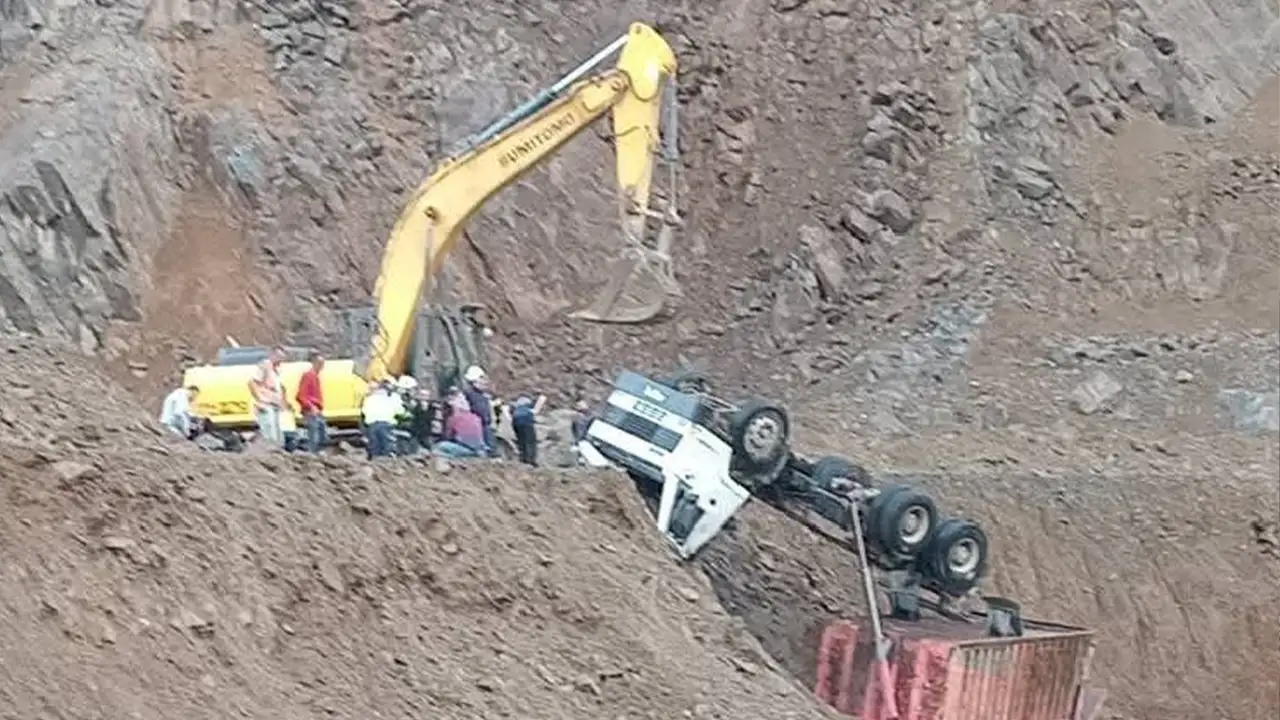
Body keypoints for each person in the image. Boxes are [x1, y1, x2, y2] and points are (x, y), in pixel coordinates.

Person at [249, 346, 287, 447]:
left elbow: (280, 388)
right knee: (270, 433)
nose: (281, 360)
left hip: (275, 405)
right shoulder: (265, 366)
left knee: (278, 434)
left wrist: (283, 402)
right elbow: (252, 382)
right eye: (279, 357)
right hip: (266, 405)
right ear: (272, 355)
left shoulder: (277, 370)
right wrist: (260, 398)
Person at [435, 393, 487, 458]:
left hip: (467, 449)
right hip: (480, 449)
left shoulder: (454, 418)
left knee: (438, 447)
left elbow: (447, 436)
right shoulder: (476, 417)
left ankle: (453, 457)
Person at [361, 379, 402, 459]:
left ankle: (375, 462)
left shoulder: (369, 399)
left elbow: (364, 411)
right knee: (387, 446)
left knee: (374, 446)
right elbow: (399, 411)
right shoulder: (389, 399)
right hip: (386, 424)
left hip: (372, 425)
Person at [462, 365, 496, 457]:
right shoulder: (471, 394)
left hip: (485, 424)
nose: (484, 382)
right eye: (481, 379)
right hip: (478, 425)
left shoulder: (481, 394)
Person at [296, 352, 327, 452]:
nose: (322, 366)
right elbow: (301, 395)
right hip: (311, 410)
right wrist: (311, 406)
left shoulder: (315, 377)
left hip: (317, 409)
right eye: (320, 363)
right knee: (314, 435)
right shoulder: (308, 376)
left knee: (321, 434)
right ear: (314, 363)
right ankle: (312, 454)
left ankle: (316, 453)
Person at [510, 394, 546, 466]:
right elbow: (536, 410)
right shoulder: (527, 407)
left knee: (521, 442)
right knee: (530, 442)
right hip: (527, 424)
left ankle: (523, 458)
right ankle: (530, 460)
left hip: (516, 423)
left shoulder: (517, 409)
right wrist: (542, 399)